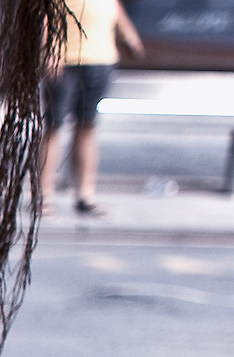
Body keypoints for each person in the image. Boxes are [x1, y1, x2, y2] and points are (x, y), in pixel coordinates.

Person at [43, 0, 143, 218]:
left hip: (100, 57)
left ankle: (85, 196)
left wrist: (128, 34)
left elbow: (113, 6)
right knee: (54, 126)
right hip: (66, 58)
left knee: (87, 126)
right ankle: (43, 196)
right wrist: (49, 48)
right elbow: (43, 12)